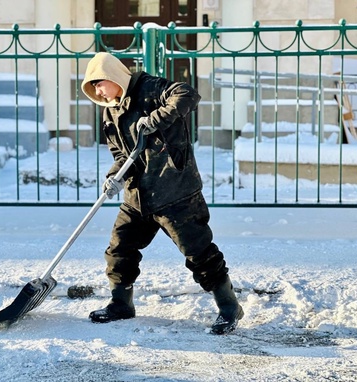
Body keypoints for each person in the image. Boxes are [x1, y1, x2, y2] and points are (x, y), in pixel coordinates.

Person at [81, 52, 244, 334]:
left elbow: (188, 94)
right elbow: (121, 154)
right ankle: (121, 303)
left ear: (113, 76)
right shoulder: (111, 111)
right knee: (120, 248)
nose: (97, 90)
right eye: (93, 86)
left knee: (198, 253)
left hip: (175, 191)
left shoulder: (151, 88)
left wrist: (156, 118)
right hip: (137, 197)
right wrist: (114, 177)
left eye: (98, 83)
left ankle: (229, 307)